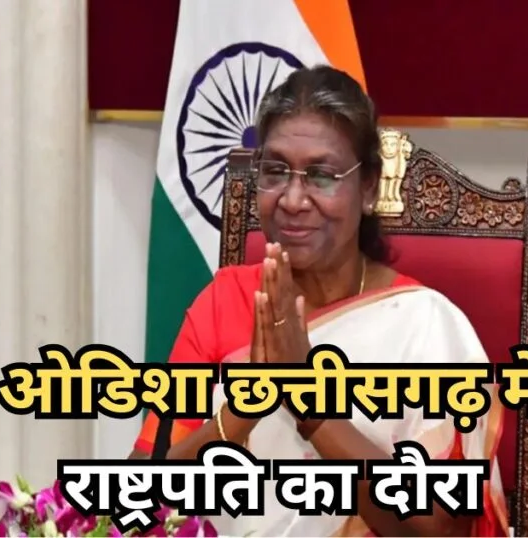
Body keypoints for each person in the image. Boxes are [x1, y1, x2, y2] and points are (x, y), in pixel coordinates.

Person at [129, 65, 508, 537]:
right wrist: (241, 412)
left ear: (368, 188)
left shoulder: (426, 326)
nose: (292, 200)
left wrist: (309, 400)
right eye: (275, 171)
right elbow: (138, 501)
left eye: (322, 176)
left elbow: (441, 531)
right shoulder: (224, 302)